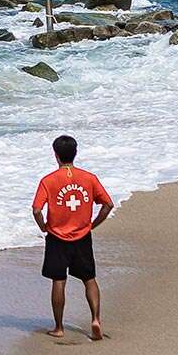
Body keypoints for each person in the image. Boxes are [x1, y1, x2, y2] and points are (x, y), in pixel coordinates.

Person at [32, 134, 113, 341]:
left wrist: (43, 227)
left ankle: (59, 327)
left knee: (59, 281)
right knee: (89, 279)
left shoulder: (48, 180)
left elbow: (36, 209)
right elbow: (108, 205)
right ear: (75, 154)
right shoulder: (89, 178)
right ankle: (96, 319)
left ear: (56, 155)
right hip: (82, 236)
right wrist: (93, 224)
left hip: (57, 237)